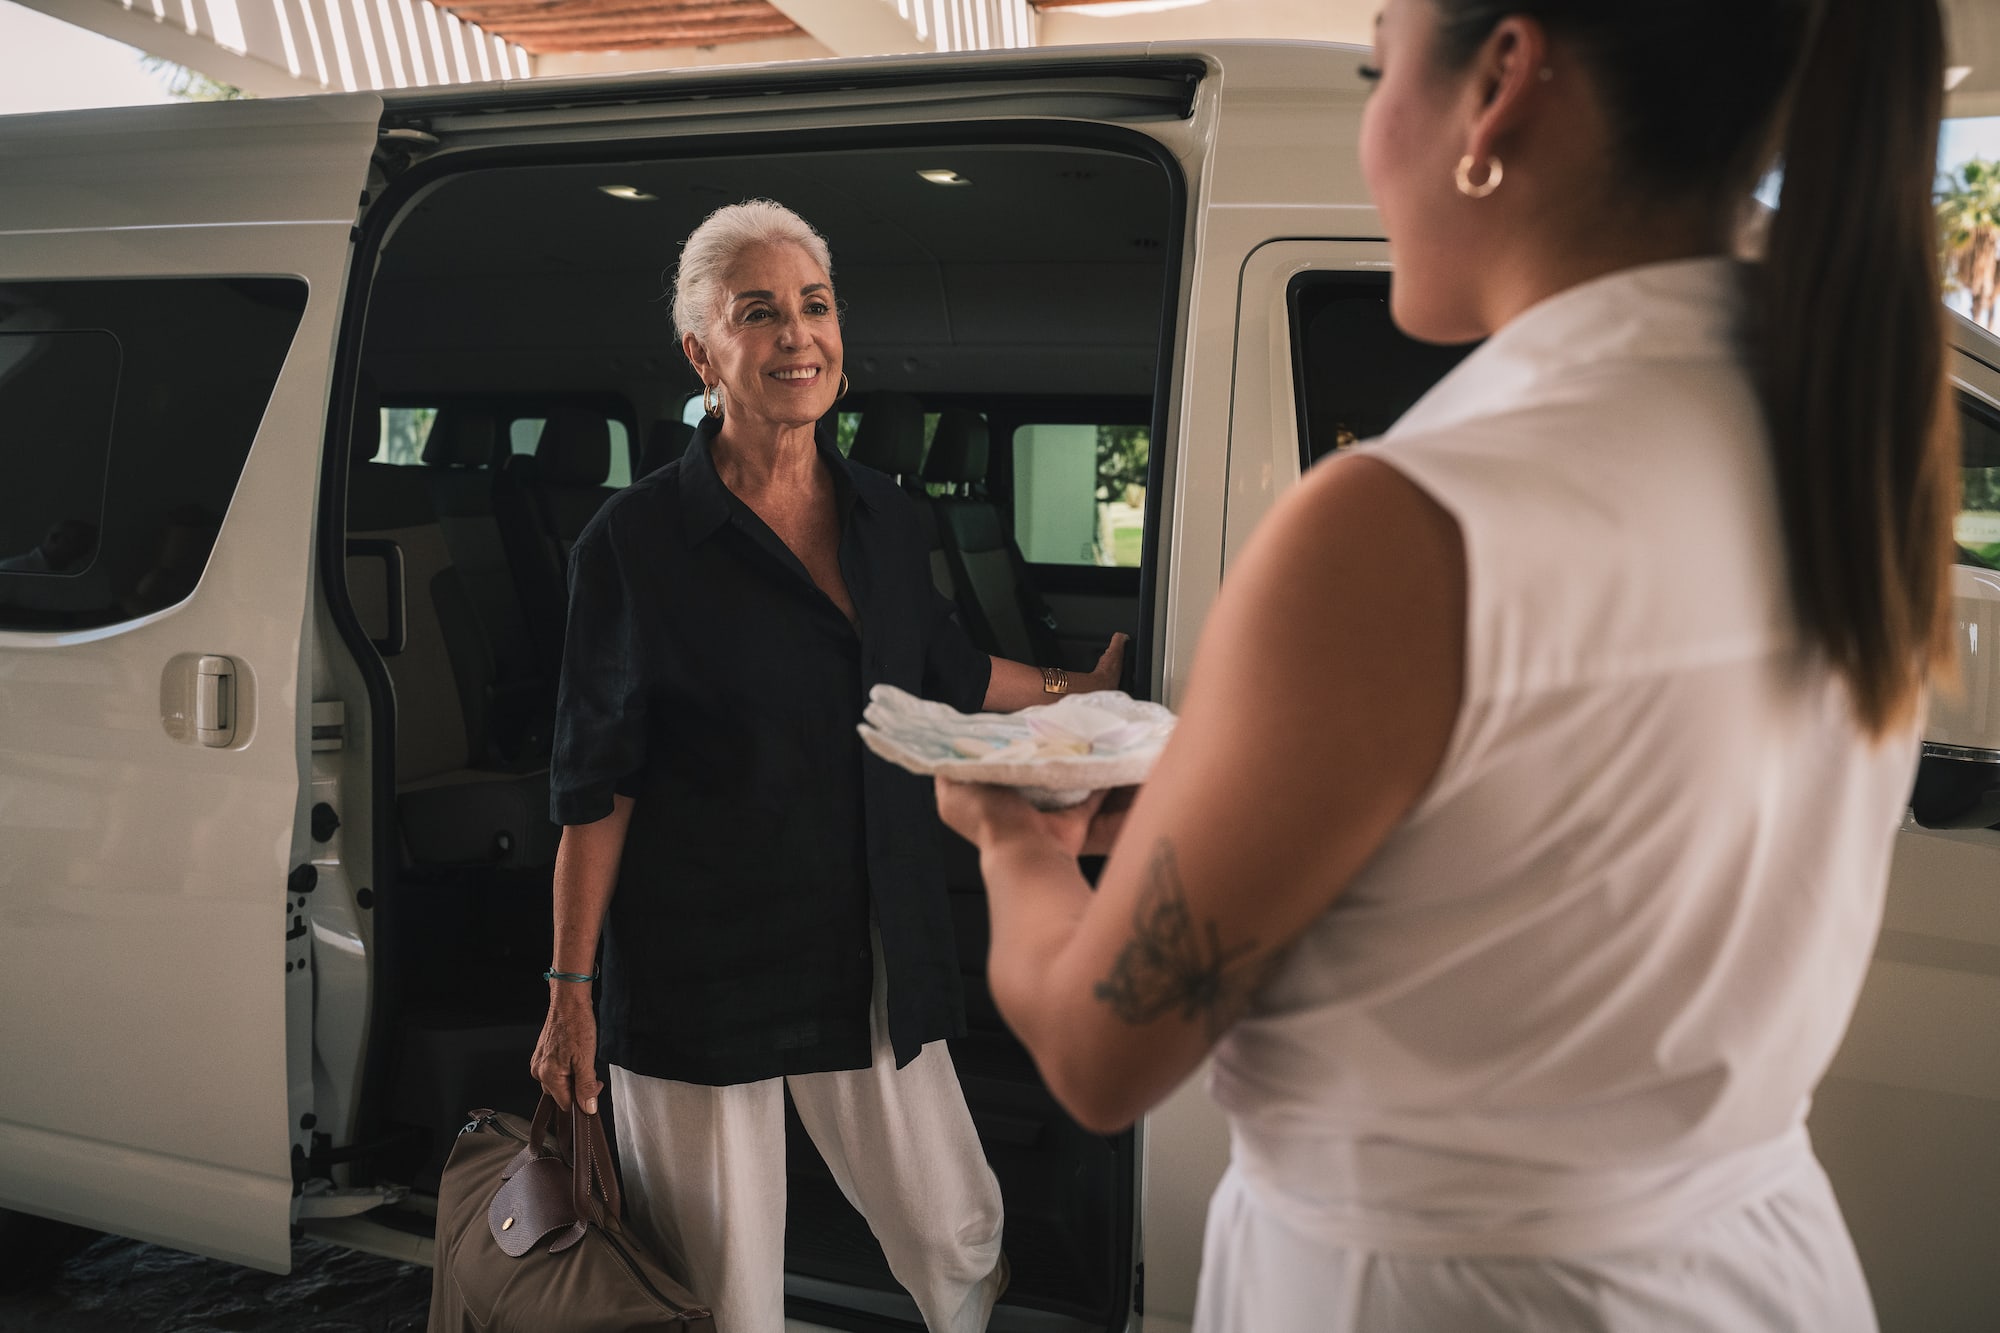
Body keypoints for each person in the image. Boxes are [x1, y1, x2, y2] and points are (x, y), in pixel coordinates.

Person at [937, 2, 1955, 1329]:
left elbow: (1097, 1051)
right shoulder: (1849, 455)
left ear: (1501, 84)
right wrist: (1224, 808)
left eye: (1378, 71)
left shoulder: (1399, 527)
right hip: (1751, 1271)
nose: (1370, 133)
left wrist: (1011, 837)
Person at [531, 198, 1126, 1333]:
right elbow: (594, 784)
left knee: (955, 1228)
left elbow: (949, 666)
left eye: (815, 305)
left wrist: (1077, 690)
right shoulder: (633, 542)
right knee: (725, 1290)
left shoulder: (888, 519)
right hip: (699, 964)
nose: (797, 334)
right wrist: (569, 991)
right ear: (701, 353)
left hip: (869, 938)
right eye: (758, 312)